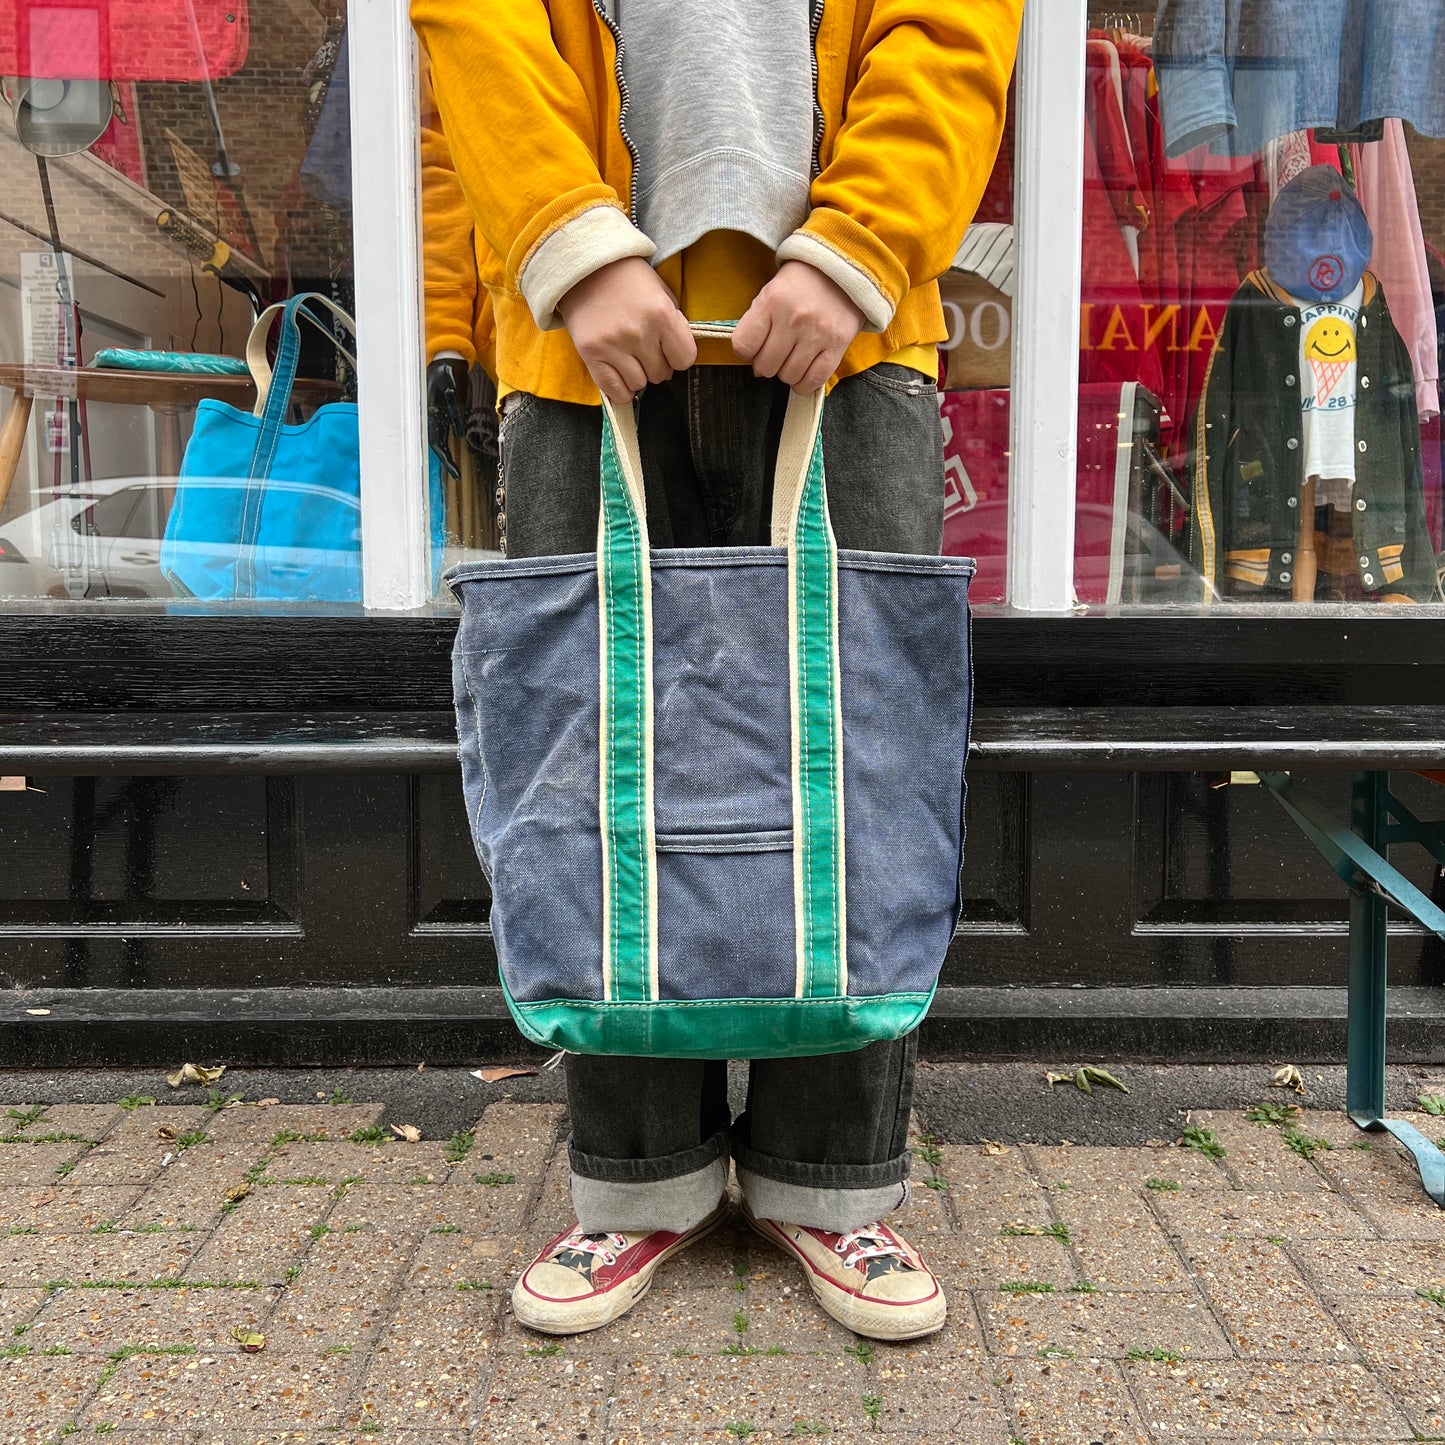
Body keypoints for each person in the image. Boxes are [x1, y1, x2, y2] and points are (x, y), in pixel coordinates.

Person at [411, 0, 1022, 1341]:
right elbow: (480, 25)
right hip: (583, 329)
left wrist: (863, 239)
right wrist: (566, 243)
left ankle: (831, 1172)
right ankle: (638, 1177)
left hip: (846, 324)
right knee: (594, 749)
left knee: (852, 751)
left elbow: (955, 27)